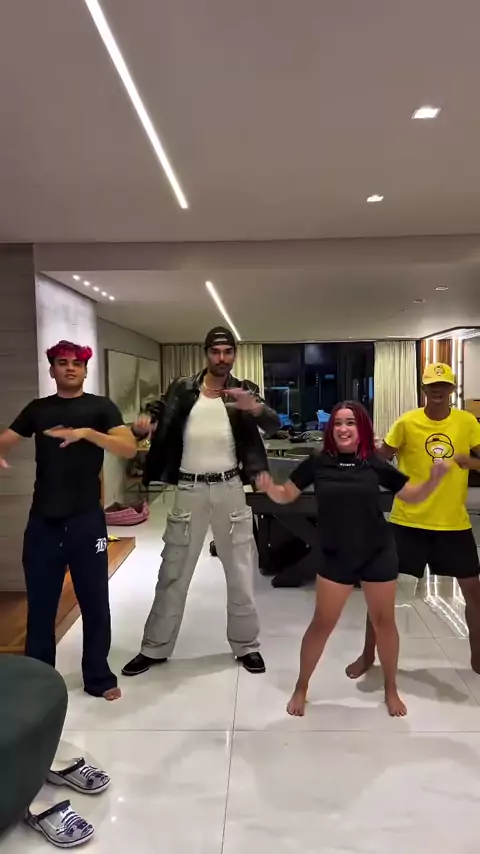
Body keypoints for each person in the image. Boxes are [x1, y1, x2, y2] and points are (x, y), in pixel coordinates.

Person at [256, 401, 450, 717]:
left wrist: (433, 480)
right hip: (336, 555)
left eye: (350, 423)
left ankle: (390, 689)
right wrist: (270, 488)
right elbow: (287, 494)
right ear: (331, 429)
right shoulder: (318, 461)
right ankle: (301, 687)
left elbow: (410, 495)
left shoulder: (372, 462)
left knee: (384, 622)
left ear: (361, 429)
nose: (343, 428)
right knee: (322, 624)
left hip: (377, 552)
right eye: (338, 423)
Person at [122, 325, 280, 677]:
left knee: (240, 573)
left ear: (234, 355)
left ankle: (246, 646)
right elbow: (157, 408)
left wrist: (253, 406)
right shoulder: (183, 387)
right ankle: (154, 647)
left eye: (228, 352)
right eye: (215, 351)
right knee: (173, 572)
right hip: (189, 489)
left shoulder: (244, 390)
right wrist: (144, 422)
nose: (221, 358)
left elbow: (273, 424)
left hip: (230, 488)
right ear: (206, 353)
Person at [0, 341, 137, 700]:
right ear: (52, 369)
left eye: (77, 363)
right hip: (43, 521)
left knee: (95, 602)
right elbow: (7, 439)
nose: (70, 368)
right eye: (62, 363)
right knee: (41, 606)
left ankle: (98, 677)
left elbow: (128, 447)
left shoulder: (101, 407)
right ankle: (38, 682)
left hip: (85, 520)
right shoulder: (38, 409)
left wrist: (86, 433)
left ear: (86, 370)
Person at [347, 362, 480, 680]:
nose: (438, 391)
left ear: (452, 389)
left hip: (453, 524)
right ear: (423, 389)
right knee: (380, 592)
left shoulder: (467, 423)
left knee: (475, 595)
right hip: (407, 522)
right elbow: (381, 456)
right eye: (432, 386)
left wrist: (470, 461)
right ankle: (367, 655)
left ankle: (478, 656)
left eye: (444, 386)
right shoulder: (407, 422)